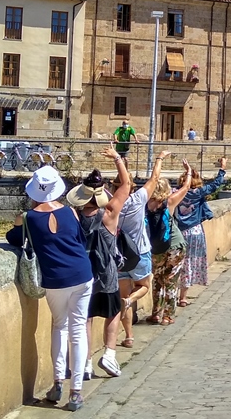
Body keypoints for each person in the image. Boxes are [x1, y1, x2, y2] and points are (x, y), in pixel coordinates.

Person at [6, 166, 92, 412]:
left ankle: (57, 383)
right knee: (77, 329)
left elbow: (13, 237)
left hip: (56, 280)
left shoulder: (29, 218)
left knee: (60, 325)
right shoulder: (72, 213)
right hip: (82, 274)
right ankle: (76, 392)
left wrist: (18, 222)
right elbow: (80, 240)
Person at [66, 147, 132, 380]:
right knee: (113, 312)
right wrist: (117, 159)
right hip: (107, 273)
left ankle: (84, 363)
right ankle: (109, 354)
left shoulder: (74, 214)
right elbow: (126, 186)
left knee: (86, 317)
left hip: (83, 273)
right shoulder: (110, 213)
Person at [116, 150, 170, 347]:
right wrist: (160, 158)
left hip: (119, 256)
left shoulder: (111, 205)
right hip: (140, 252)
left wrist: (118, 161)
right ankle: (131, 300)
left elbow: (120, 183)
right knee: (144, 287)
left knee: (123, 293)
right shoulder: (138, 199)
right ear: (131, 186)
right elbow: (155, 177)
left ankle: (129, 336)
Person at [175, 158, 227, 309]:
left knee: (179, 264)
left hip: (179, 232)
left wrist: (188, 171)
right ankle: (183, 297)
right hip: (195, 232)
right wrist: (222, 168)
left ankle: (173, 294)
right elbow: (216, 184)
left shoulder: (176, 193)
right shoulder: (199, 193)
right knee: (191, 262)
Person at [146, 159, 192, 325]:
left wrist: (158, 160)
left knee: (158, 280)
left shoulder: (145, 203)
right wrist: (188, 172)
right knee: (171, 281)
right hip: (175, 246)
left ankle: (155, 314)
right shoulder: (169, 202)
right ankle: (168, 316)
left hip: (155, 248)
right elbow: (186, 187)